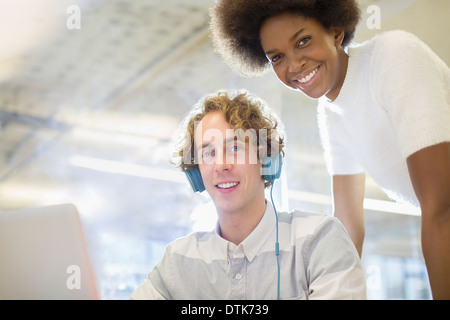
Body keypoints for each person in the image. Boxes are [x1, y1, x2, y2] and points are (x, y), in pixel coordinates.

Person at [209, 0, 450, 299]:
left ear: (336, 32)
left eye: (303, 41)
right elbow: (348, 226)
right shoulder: (331, 112)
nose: (294, 65)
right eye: (277, 57)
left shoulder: (395, 57)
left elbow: (442, 208)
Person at [130, 90, 366, 299]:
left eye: (235, 148)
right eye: (208, 153)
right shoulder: (178, 261)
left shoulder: (318, 240)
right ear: (196, 172)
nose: (221, 165)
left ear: (266, 161)